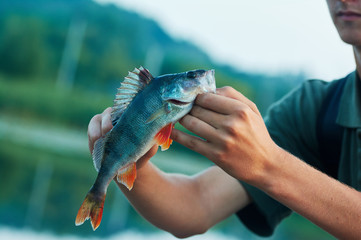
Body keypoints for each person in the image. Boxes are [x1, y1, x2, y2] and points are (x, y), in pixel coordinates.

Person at [88, 0, 361, 239]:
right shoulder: (314, 107)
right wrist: (125, 158)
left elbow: (269, 166)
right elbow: (196, 204)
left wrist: (269, 165)